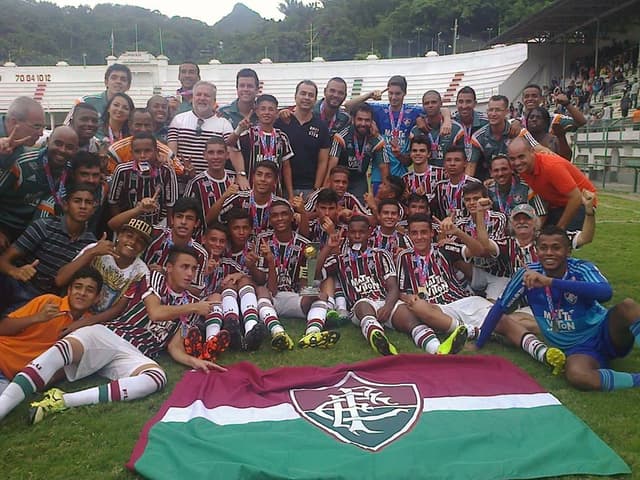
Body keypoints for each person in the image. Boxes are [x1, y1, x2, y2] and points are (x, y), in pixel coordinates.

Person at [0, 246, 224, 425]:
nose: (189, 273)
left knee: (157, 378)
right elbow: (156, 313)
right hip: (110, 334)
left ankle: (62, 400)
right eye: (184, 267)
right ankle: (3, 407)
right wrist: (194, 307)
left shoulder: (189, 304)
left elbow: (174, 346)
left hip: (134, 353)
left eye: (194, 269)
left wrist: (195, 361)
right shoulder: (154, 277)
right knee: (63, 350)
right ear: (169, 267)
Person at [477, 225, 640, 391]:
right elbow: (500, 307)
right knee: (577, 374)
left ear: (568, 251)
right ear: (536, 250)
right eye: (543, 248)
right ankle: (636, 380)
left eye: (556, 248)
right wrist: (479, 344)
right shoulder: (527, 275)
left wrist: (551, 282)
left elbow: (605, 293)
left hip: (605, 332)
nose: (549, 253)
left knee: (628, 306)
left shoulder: (580, 268)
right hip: (579, 349)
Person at [401, 214, 566, 374]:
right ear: (409, 235)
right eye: (414, 233)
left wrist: (457, 232)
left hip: (465, 300)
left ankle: (543, 353)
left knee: (503, 320)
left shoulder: (444, 248)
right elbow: (401, 290)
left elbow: (479, 250)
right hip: (438, 307)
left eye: (424, 232)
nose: (419, 237)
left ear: (432, 233)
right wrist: (408, 297)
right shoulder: (403, 256)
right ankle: (482, 332)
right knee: (419, 307)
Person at [322, 215, 466, 356]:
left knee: (412, 321)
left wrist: (388, 306)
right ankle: (378, 337)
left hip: (387, 301)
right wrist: (329, 247)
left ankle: (437, 349)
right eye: (353, 232)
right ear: (347, 234)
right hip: (361, 306)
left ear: (369, 233)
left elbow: (393, 286)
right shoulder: (339, 259)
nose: (357, 235)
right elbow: (315, 274)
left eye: (362, 232)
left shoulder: (381, 255)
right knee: (363, 305)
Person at [0, 267, 102, 395]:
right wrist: (36, 318)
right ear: (69, 290)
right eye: (78, 287)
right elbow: (2, 328)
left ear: (97, 298)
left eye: (89, 290)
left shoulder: (89, 326)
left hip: (13, 380)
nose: (82, 293)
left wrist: (37, 385)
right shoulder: (49, 302)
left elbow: (66, 367)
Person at [0, 184, 97, 313]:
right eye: (77, 201)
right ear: (65, 205)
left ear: (93, 209)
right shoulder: (44, 226)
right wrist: (16, 271)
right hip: (19, 286)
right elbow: (3, 260)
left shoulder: (91, 244)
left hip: (47, 302)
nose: (83, 206)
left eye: (88, 202)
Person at [256, 200, 339, 349]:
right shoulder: (262, 240)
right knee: (261, 290)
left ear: (292, 217)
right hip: (270, 297)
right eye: (275, 215)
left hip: (295, 297)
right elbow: (272, 289)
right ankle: (278, 333)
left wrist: (328, 247)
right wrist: (270, 261)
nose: (280, 218)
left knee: (319, 295)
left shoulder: (307, 244)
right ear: (270, 219)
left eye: (284, 214)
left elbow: (309, 278)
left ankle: (312, 334)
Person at [55, 218, 152, 329]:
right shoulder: (97, 249)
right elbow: (60, 280)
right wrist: (92, 253)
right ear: (119, 236)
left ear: (144, 248)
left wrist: (85, 322)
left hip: (99, 324)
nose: (133, 242)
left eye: (140, 241)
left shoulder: (141, 272)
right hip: (68, 310)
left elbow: (119, 308)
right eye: (129, 236)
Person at [0, 126, 79, 247]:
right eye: (58, 143)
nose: (62, 150)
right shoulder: (23, 163)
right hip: (6, 226)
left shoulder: (71, 172)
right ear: (48, 142)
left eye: (69, 147)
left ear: (75, 150)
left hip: (34, 233)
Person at [167, 81, 247, 186]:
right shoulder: (178, 120)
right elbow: (171, 153)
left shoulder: (223, 124)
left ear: (214, 101)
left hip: (211, 185)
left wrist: (241, 175)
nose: (202, 98)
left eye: (207, 95)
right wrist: (181, 170)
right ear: (193, 98)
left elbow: (233, 150)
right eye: (198, 94)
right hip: (181, 182)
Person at [508, 136, 596, 230]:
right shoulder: (522, 169)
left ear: (531, 152)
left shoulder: (551, 167)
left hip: (580, 202)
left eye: (521, 156)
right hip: (556, 204)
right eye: (512, 159)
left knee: (560, 240)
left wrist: (560, 227)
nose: (517, 162)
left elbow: (576, 197)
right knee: (543, 239)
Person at [108, 132, 178, 226]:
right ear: (131, 153)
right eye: (137, 151)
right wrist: (120, 227)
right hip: (129, 224)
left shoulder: (166, 171)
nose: (142, 156)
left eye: (148, 151)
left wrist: (169, 230)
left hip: (158, 224)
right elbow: (113, 202)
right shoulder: (122, 171)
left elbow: (171, 204)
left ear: (156, 152)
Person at [275, 80, 330, 199]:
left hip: (309, 188)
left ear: (315, 100)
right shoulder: (281, 121)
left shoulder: (321, 126)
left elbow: (323, 161)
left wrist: (315, 189)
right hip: (282, 187)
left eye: (311, 95)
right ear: (295, 96)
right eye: (303, 93)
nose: (306, 97)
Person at [231, 94, 294, 188]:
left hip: (275, 192)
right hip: (251, 189)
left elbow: (286, 167)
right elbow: (230, 145)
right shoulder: (248, 134)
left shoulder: (282, 137)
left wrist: (290, 194)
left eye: (271, 109)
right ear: (256, 111)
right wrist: (238, 130)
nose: (267, 112)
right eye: (263, 109)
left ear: (276, 113)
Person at [327, 103, 387, 201]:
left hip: (359, 181)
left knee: (360, 212)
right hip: (340, 179)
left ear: (372, 121)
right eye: (360, 119)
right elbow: (332, 163)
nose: (363, 123)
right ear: (353, 119)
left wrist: (385, 192)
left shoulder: (376, 139)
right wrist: (327, 186)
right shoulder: (341, 136)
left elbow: (384, 166)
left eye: (367, 120)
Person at [217, 161, 289, 238]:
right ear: (253, 177)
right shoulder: (238, 198)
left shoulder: (282, 205)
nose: (263, 179)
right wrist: (223, 197)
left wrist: (302, 213)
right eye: (259, 174)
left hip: (268, 249)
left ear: (275, 181)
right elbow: (211, 219)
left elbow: (295, 232)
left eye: (268, 176)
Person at [184, 136, 237, 239]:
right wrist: (224, 197)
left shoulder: (235, 178)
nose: (215, 157)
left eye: (220, 152)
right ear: (205, 155)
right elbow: (192, 218)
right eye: (211, 152)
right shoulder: (196, 183)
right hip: (205, 240)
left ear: (227, 155)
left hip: (233, 242)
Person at [107, 108, 177, 175]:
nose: (143, 129)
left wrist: (166, 165)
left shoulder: (166, 152)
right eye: (138, 125)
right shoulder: (115, 151)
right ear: (130, 125)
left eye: (147, 125)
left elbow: (181, 172)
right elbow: (109, 176)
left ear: (154, 126)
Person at [412, 90, 463, 167]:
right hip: (425, 177)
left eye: (434, 102)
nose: (430, 105)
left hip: (449, 176)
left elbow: (463, 158)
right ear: (423, 106)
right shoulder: (416, 130)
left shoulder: (456, 129)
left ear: (441, 103)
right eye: (426, 103)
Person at [486, 154, 546, 219]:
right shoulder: (488, 191)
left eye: (504, 169)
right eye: (496, 170)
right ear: (491, 173)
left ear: (512, 169)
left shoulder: (527, 188)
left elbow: (541, 214)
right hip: (497, 228)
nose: (500, 174)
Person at [468, 94, 514, 180]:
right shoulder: (478, 137)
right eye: (490, 110)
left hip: (516, 178)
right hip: (491, 180)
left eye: (498, 110)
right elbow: (471, 166)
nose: (493, 114)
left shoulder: (516, 131)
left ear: (507, 112)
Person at [66, 64, 132, 123]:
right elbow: (66, 128)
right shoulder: (84, 102)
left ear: (128, 86)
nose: (118, 81)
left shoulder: (129, 110)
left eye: (123, 79)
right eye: (114, 78)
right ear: (106, 82)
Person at [431, 146, 480, 219]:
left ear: (465, 163)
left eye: (457, 160)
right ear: (444, 163)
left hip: (469, 229)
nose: (452, 163)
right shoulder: (439, 187)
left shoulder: (475, 184)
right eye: (448, 160)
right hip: (445, 228)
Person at [0, 97, 46, 161]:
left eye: (43, 127)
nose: (41, 134)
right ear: (14, 123)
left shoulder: (20, 145)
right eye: (36, 126)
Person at [402, 134, 445, 201]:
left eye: (422, 151)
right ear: (410, 153)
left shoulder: (441, 173)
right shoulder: (405, 179)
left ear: (429, 154)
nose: (418, 153)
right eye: (414, 151)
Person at [451, 86, 488, 161]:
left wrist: (516, 122)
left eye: (468, 101)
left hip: (480, 167)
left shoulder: (486, 122)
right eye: (461, 102)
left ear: (475, 103)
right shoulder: (451, 121)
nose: (464, 106)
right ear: (456, 103)